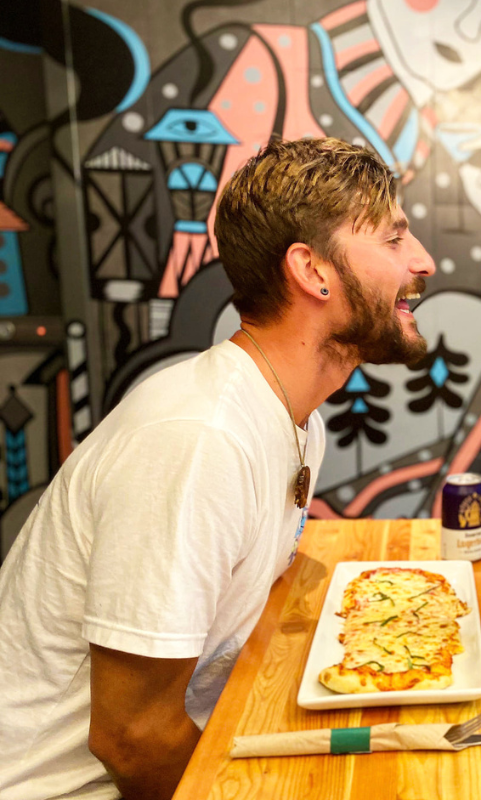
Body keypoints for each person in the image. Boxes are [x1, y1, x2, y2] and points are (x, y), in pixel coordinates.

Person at [0, 137, 436, 800]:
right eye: (394, 238)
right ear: (312, 271)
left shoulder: (293, 418)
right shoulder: (200, 439)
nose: (424, 261)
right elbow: (132, 737)